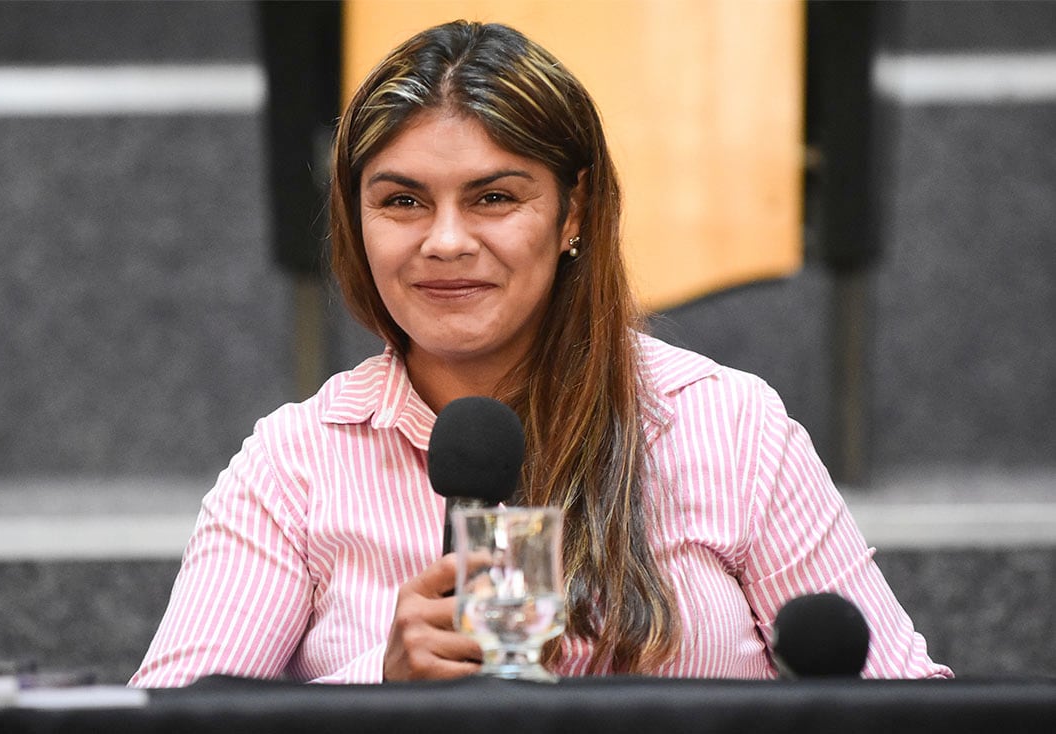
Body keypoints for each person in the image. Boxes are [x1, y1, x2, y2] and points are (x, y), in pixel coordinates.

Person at [130, 20, 951, 686]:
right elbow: (176, 719)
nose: (445, 242)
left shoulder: (729, 426)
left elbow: (908, 702)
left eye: (494, 197)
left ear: (572, 213)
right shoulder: (295, 464)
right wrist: (379, 693)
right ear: (356, 221)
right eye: (402, 201)